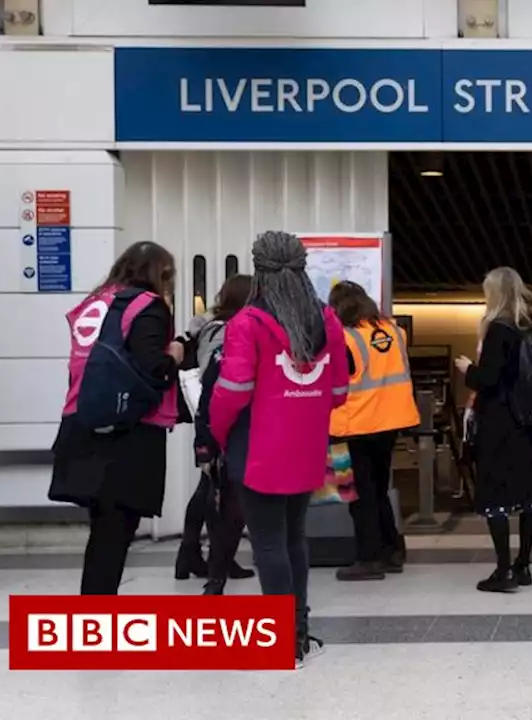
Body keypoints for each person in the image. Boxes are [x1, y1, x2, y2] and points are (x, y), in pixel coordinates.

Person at [208, 231, 349, 668]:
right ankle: (299, 631)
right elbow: (340, 390)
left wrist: (216, 431)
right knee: (295, 539)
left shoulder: (247, 323)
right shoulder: (326, 319)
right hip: (307, 445)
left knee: (268, 543)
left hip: (257, 448)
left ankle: (281, 640)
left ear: (259, 269)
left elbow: (232, 390)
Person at [48, 241, 184, 595]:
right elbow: (154, 369)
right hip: (126, 436)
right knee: (114, 535)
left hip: (82, 423)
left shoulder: (96, 303)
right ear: (160, 273)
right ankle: (95, 629)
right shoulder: (146, 306)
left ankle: (93, 619)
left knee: (103, 532)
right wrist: (176, 354)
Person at [453, 267, 532, 593]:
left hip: (501, 424)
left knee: (496, 493)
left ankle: (503, 570)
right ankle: (524, 565)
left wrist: (469, 369)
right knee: (529, 495)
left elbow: (489, 380)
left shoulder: (499, 329)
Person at [327, 281, 420, 581]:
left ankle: (368, 558)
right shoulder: (394, 332)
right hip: (389, 425)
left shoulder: (343, 338)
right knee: (378, 490)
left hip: (350, 427)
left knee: (356, 495)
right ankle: (392, 550)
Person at [175, 274, 257, 594]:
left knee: (209, 486)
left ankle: (191, 554)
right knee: (226, 496)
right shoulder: (230, 330)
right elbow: (225, 376)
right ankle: (217, 565)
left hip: (208, 411)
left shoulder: (209, 326)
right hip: (222, 414)